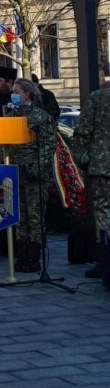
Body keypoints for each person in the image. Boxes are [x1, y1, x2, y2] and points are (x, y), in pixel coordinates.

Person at [0, 78, 57, 273]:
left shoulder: (40, 116)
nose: (13, 94)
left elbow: (49, 143)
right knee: (19, 217)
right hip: (14, 173)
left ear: (27, 94)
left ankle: (34, 257)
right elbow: (1, 143)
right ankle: (22, 256)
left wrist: (36, 164)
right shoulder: (11, 116)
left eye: (17, 91)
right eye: (13, 91)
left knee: (35, 217)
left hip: (33, 174)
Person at [71, 85, 110, 287]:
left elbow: (82, 133)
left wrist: (83, 160)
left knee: (103, 214)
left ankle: (105, 263)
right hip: (101, 165)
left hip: (102, 167)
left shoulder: (97, 97)